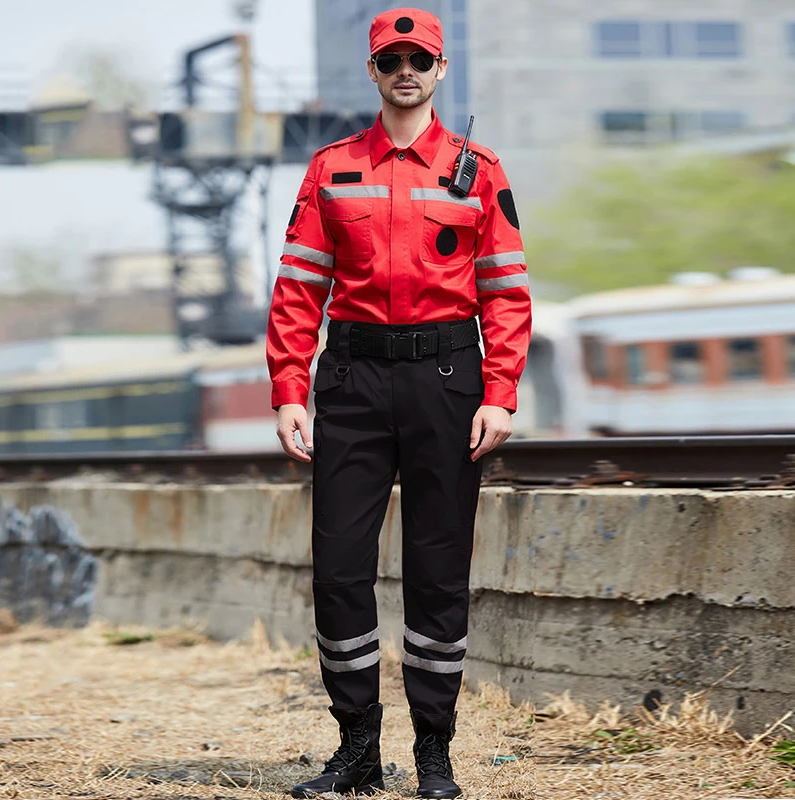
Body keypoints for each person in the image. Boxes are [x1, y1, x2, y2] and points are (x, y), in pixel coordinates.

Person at [266, 7, 532, 798]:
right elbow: (299, 288)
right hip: (350, 383)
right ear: (375, 73)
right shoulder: (331, 169)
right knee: (340, 572)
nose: (406, 70)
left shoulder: (479, 169)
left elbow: (507, 293)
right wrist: (288, 388)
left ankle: (433, 754)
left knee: (438, 571)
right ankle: (355, 751)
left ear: (441, 70)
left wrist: (501, 391)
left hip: (449, 381)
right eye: (391, 59)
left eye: (419, 58)